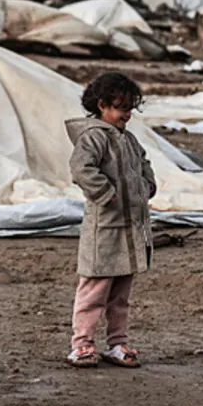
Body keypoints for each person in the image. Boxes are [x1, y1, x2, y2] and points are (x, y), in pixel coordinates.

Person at [64, 72, 157, 368]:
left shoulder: (128, 139)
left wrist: (147, 186)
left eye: (130, 109)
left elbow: (143, 163)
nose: (127, 115)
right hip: (104, 229)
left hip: (130, 230)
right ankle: (82, 345)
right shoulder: (94, 137)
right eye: (121, 108)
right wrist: (107, 194)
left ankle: (117, 343)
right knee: (94, 289)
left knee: (120, 295)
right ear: (102, 105)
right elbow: (81, 168)